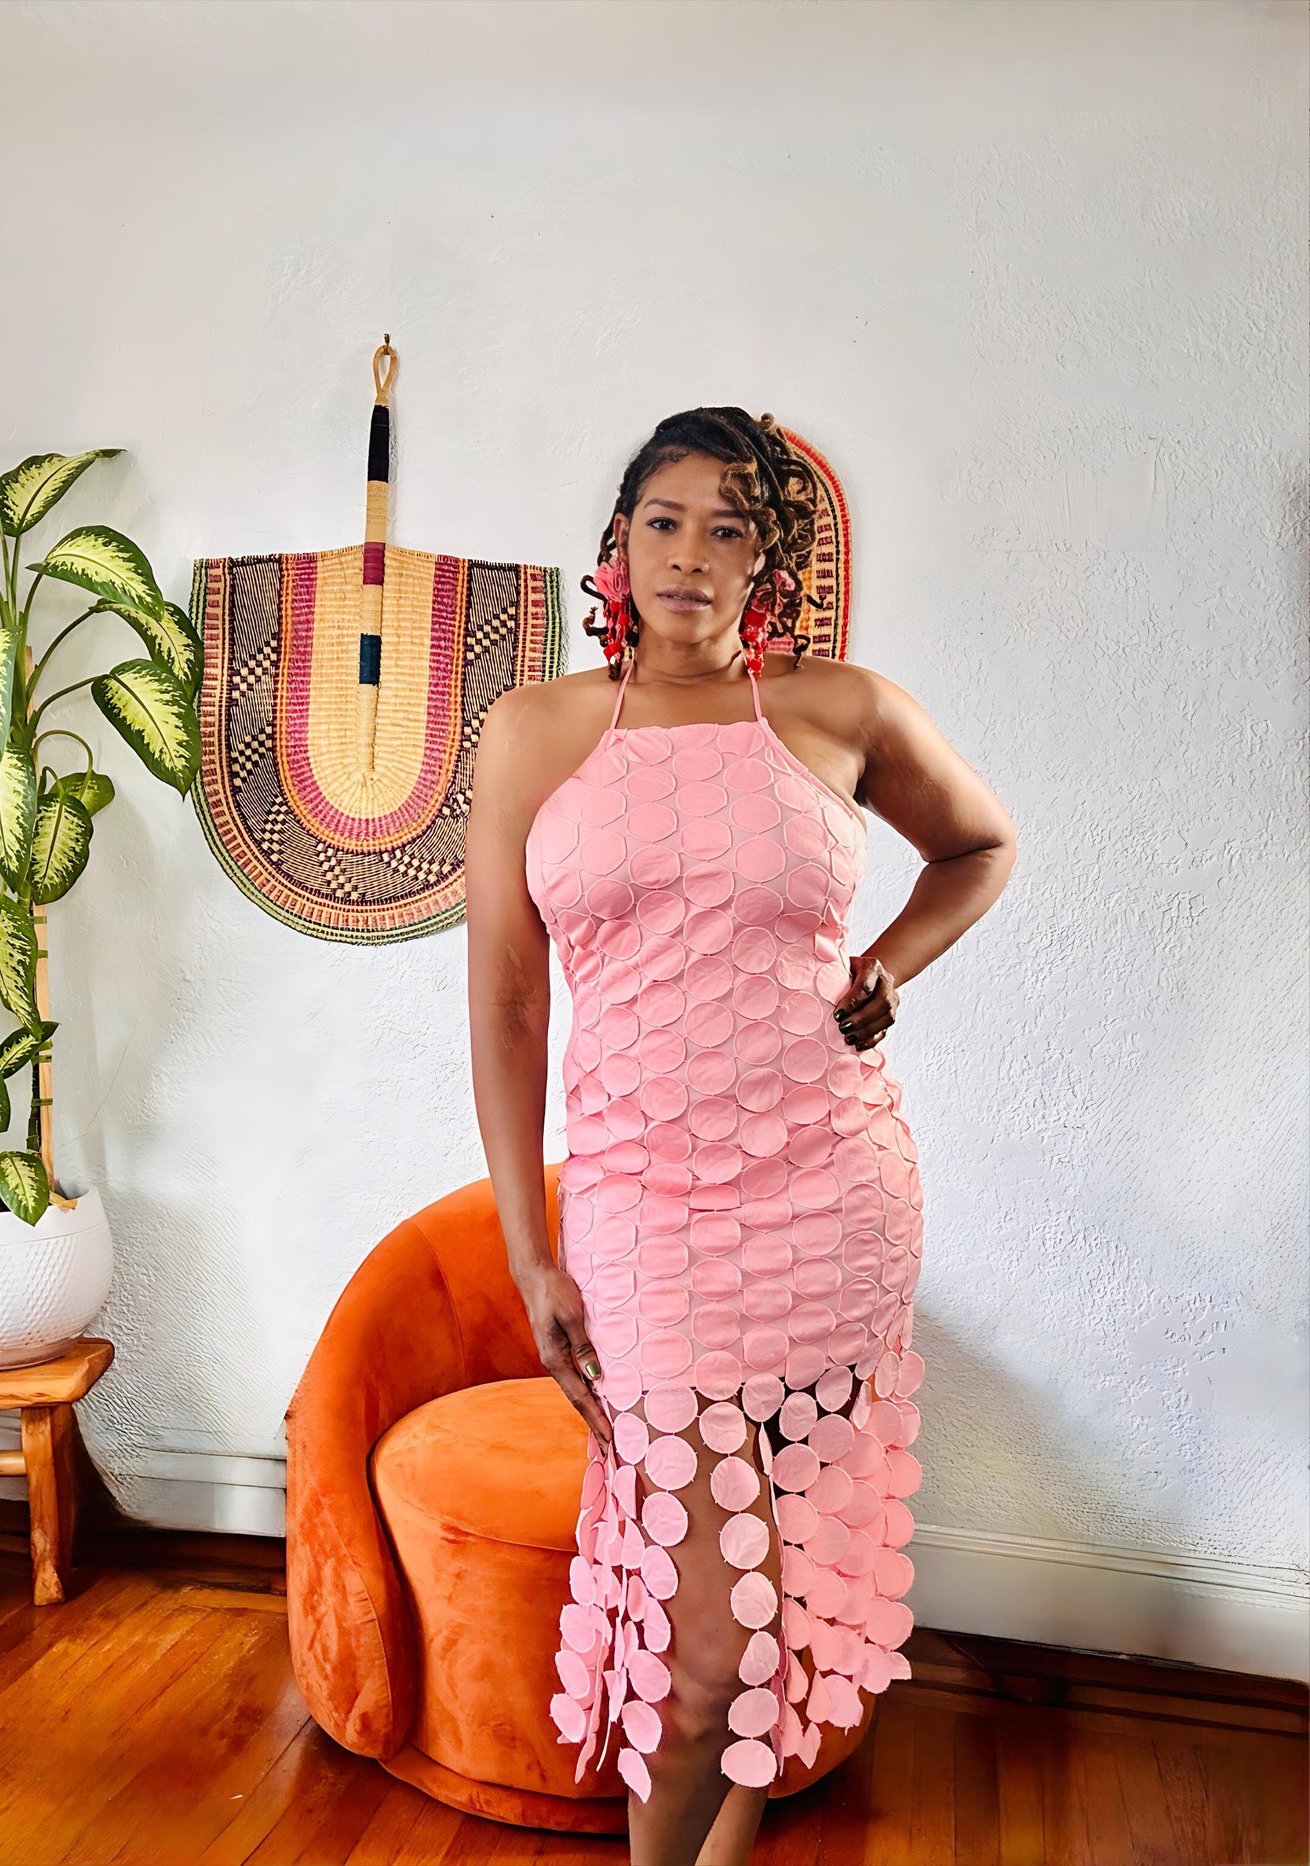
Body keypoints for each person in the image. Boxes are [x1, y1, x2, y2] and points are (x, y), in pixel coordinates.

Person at [466, 407, 1017, 1866]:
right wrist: (530, 1248)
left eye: (729, 528)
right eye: (664, 520)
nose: (691, 555)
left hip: (828, 1192)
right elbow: (510, 1003)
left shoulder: (842, 710)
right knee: (703, 1641)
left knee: (749, 1604)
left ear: (768, 561)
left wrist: (888, 964)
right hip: (642, 1212)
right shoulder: (535, 732)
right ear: (619, 542)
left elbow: (981, 845)